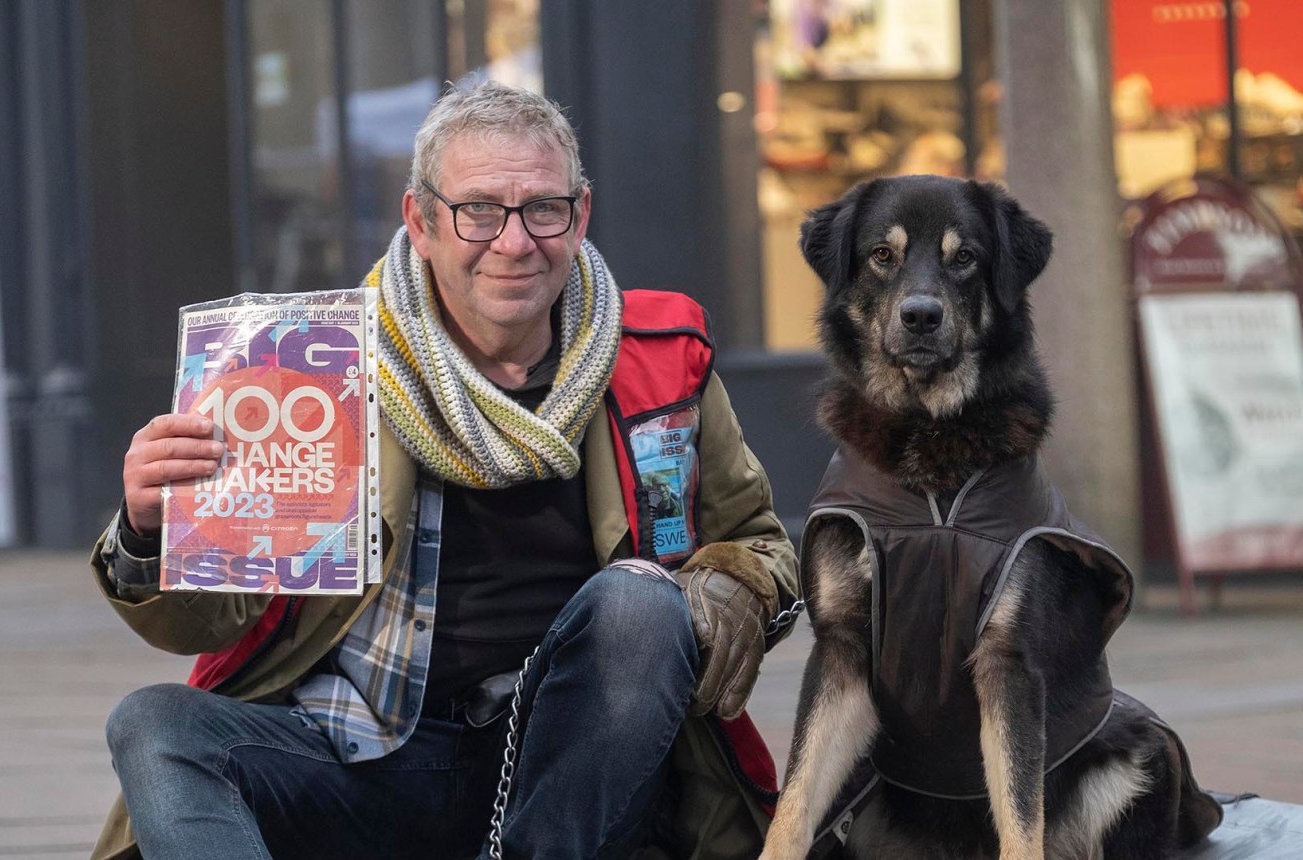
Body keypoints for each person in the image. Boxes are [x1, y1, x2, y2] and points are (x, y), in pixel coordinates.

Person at [90, 80, 800, 860]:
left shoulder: (659, 359)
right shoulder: (310, 368)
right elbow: (205, 624)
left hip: (576, 776)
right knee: (156, 726)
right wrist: (149, 532)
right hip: (360, 754)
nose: (515, 241)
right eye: (480, 211)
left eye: (543, 209)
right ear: (421, 222)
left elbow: (762, 547)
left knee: (641, 604)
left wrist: (738, 582)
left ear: (581, 215)